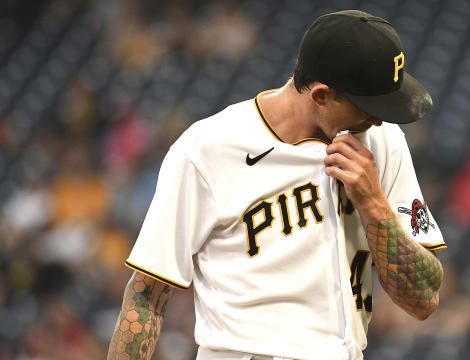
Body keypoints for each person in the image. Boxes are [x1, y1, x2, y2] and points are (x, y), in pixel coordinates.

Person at [107, 10, 446, 360]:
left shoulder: (382, 141)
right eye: (366, 105)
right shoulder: (207, 149)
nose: (378, 117)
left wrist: (374, 204)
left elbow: (423, 300)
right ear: (320, 95)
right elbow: (146, 296)